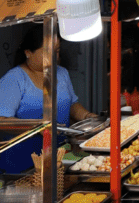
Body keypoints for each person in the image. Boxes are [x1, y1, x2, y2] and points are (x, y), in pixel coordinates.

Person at [0, 26, 96, 174]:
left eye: (57, 50)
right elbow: (2, 120)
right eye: (47, 51)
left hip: (58, 158)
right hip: (21, 165)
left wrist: (88, 117)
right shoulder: (14, 79)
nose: (54, 56)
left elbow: (71, 104)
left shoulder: (61, 73)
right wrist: (37, 127)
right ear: (28, 53)